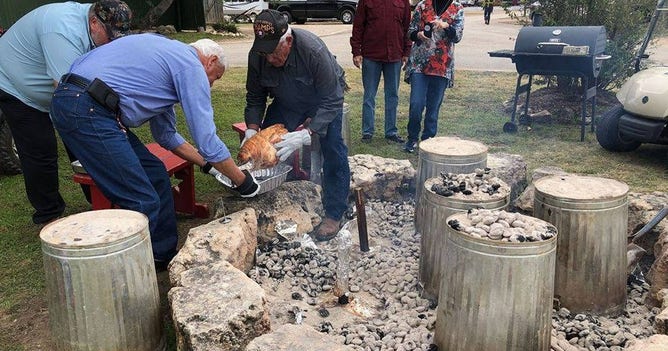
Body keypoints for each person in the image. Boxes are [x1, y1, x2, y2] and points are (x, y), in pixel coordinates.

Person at [49, 34, 260, 269]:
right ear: (209, 61)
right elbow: (207, 140)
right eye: (215, 77)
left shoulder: (167, 59)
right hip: (86, 107)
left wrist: (208, 166)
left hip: (81, 101)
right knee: (140, 199)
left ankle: (161, 255)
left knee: (155, 173)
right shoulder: (190, 65)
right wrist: (244, 183)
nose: (211, 84)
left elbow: (166, 136)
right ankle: (127, 276)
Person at [0, 0, 132, 225]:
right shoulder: (62, 32)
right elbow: (69, 97)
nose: (112, 41)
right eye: (110, 35)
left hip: (47, 77)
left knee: (86, 133)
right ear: (93, 23)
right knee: (41, 148)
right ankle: (48, 215)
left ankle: (101, 199)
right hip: (15, 85)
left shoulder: (98, 17)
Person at [244, 9, 350, 241]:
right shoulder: (259, 53)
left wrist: (308, 133)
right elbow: (255, 96)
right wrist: (252, 129)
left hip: (322, 101)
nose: (269, 59)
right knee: (265, 147)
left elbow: (333, 99)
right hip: (286, 100)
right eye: (264, 53)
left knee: (333, 149)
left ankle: (334, 211)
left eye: (273, 53)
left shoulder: (313, 50)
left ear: (288, 41)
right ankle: (270, 201)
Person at [403, 0, 464, 153]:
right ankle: (412, 138)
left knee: (433, 107)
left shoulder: (457, 8)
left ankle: (428, 141)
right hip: (419, 64)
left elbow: (457, 37)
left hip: (442, 65)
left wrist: (447, 26)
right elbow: (410, 31)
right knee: (416, 104)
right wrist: (418, 34)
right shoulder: (422, 6)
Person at [350, 0, 412, 144]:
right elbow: (358, 26)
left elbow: (407, 27)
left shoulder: (403, 1)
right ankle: (367, 132)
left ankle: (391, 131)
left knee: (392, 96)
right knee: (369, 96)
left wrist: (406, 51)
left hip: (395, 55)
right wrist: (356, 51)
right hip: (371, 54)